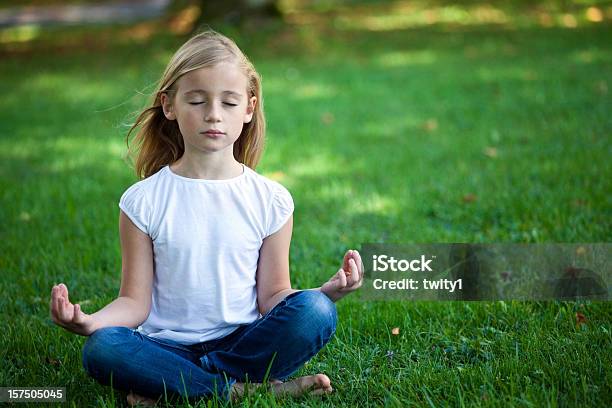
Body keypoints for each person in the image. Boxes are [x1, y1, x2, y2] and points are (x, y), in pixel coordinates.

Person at [49, 29, 363, 406]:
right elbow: (134, 302)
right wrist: (90, 322)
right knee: (102, 348)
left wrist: (326, 292)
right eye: (197, 101)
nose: (213, 115)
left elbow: (274, 296)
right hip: (165, 348)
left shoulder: (271, 200)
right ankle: (235, 389)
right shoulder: (143, 201)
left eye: (229, 103)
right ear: (169, 106)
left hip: (244, 344)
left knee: (316, 311)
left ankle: (177, 389)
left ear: (248, 108)